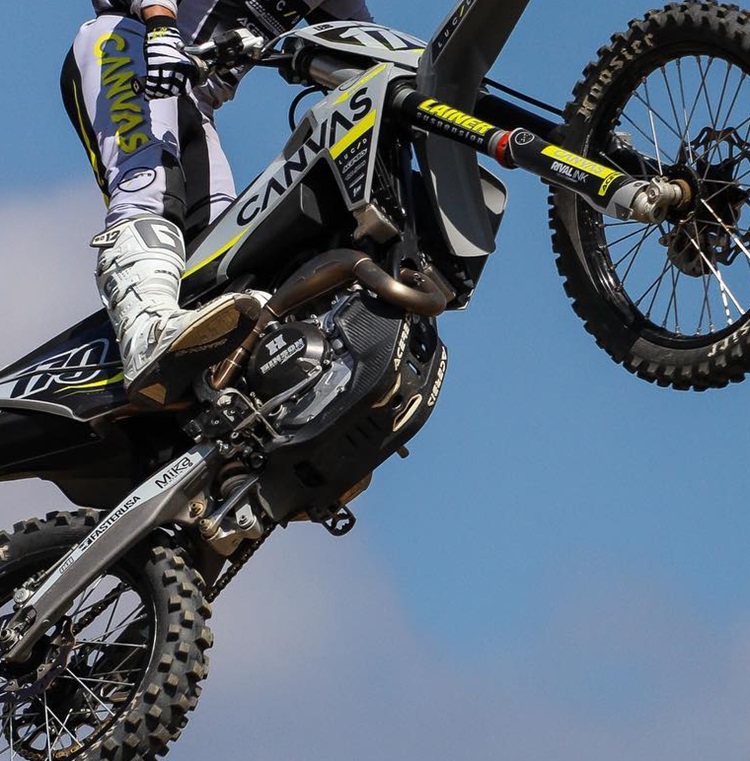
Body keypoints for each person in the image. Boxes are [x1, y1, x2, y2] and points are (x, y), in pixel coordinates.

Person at [61, 0, 373, 406]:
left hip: (196, 104)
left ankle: (222, 393)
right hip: (128, 42)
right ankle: (145, 333)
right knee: (151, 185)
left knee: (224, 249)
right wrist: (160, 26)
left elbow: (366, 46)